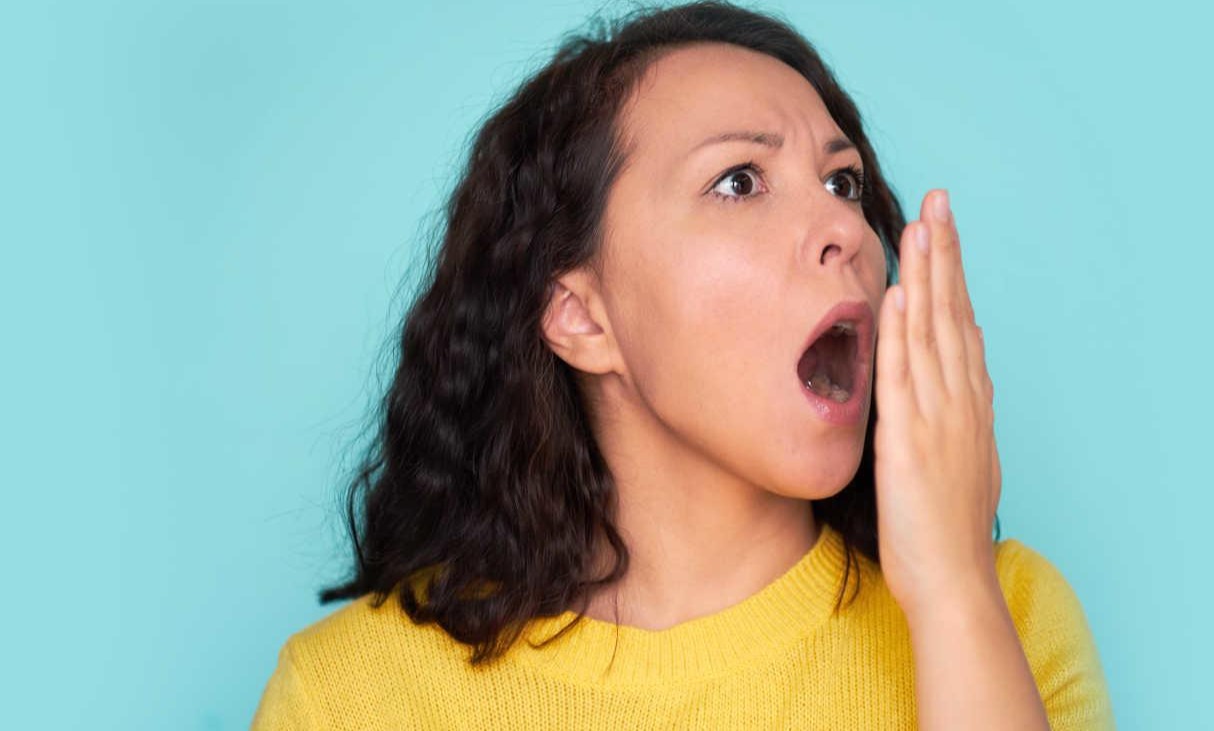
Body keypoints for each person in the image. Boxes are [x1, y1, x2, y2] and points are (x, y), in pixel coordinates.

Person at [251, 1, 1116, 728]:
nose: (846, 230)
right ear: (581, 315)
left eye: (843, 182)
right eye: (739, 181)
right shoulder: (349, 696)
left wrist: (955, 591)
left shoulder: (1006, 611)